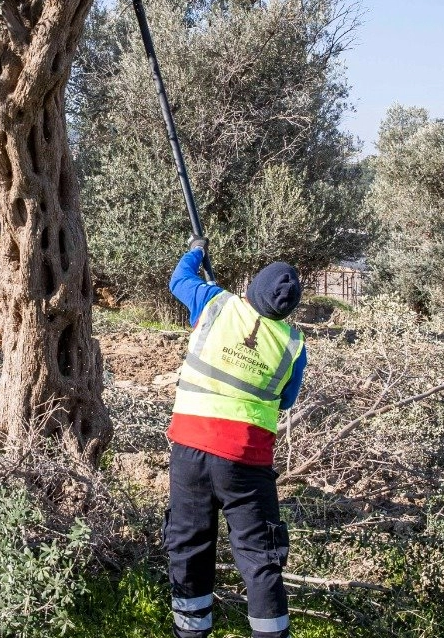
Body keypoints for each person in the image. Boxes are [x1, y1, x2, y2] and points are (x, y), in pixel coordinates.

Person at [164, 239, 307, 638]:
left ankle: (191, 633)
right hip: (247, 461)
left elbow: (179, 279)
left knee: (189, 545)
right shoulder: (293, 346)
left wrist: (195, 250)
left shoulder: (215, 303)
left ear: (252, 288)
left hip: (190, 451)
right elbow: (286, 399)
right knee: (259, 556)